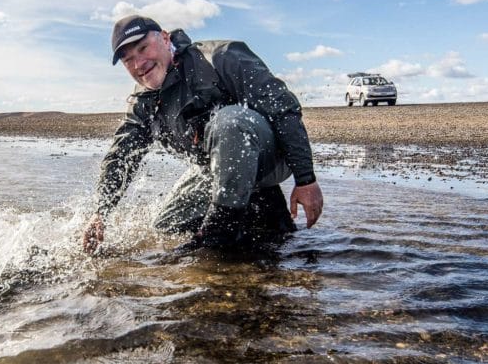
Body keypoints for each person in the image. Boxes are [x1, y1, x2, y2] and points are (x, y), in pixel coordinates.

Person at [82, 15, 323, 254]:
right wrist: (100, 212)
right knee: (165, 228)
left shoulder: (221, 57)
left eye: (143, 48)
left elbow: (285, 110)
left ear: (165, 39)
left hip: (267, 160)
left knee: (229, 121)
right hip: (214, 171)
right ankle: (252, 213)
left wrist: (305, 180)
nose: (139, 64)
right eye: (128, 60)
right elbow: (121, 156)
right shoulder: (142, 102)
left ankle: (219, 233)